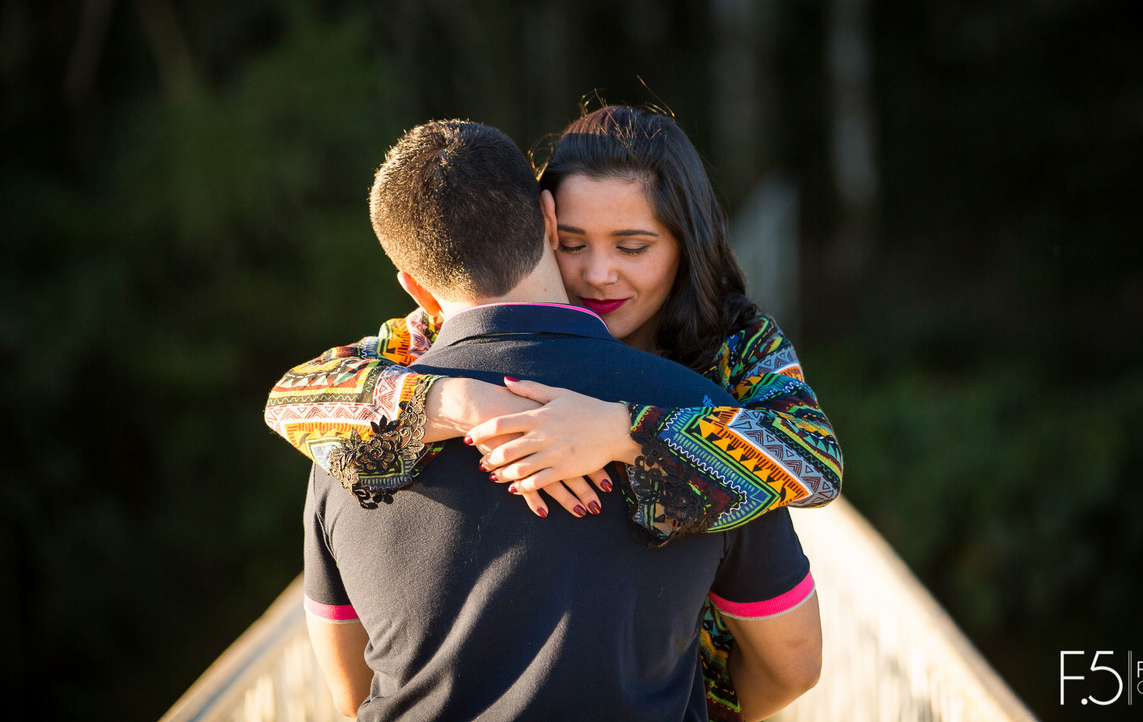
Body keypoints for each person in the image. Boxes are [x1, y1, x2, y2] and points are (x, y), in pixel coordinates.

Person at [266, 104, 841, 719]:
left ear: (686, 243)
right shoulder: (431, 336)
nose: (598, 273)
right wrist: (454, 400)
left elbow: (814, 460)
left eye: (633, 246)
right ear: (543, 227)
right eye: (573, 244)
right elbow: (296, 399)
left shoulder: (734, 347)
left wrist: (625, 432)